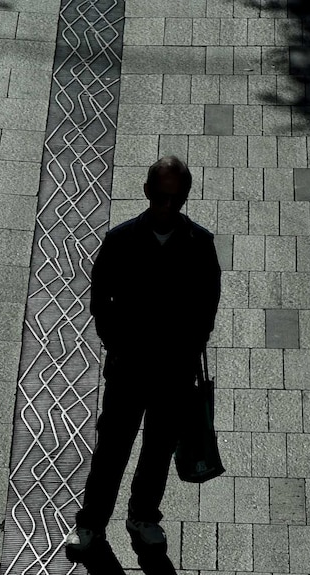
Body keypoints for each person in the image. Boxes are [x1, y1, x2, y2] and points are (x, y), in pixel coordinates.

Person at [65, 156, 222, 558]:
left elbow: (207, 306)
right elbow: (100, 299)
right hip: (129, 368)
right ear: (148, 193)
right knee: (112, 449)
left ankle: (143, 515)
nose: (167, 207)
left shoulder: (199, 245)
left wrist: (188, 347)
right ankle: (91, 524)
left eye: (176, 198)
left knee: (158, 450)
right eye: (161, 197)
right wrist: (116, 345)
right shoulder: (122, 241)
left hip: (173, 371)